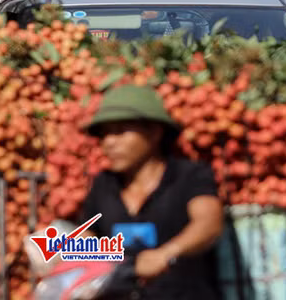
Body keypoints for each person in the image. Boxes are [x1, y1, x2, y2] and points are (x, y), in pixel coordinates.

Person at [79, 85, 224, 299]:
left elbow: (209, 223)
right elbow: (88, 237)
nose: (109, 142)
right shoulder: (103, 184)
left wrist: (167, 253)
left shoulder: (189, 175)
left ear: (155, 133)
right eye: (105, 134)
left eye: (120, 131)